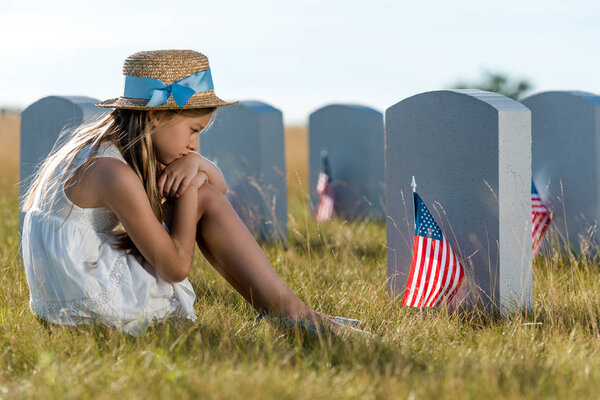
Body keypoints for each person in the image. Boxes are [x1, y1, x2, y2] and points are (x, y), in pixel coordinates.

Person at [21, 50, 366, 336]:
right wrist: (188, 191)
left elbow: (221, 188)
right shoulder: (113, 173)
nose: (194, 143)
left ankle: (287, 311)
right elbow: (175, 268)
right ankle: (290, 312)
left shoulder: (113, 147)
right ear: (155, 115)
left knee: (205, 195)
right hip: (82, 299)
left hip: (63, 289)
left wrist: (196, 164)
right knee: (200, 197)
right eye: (193, 130)